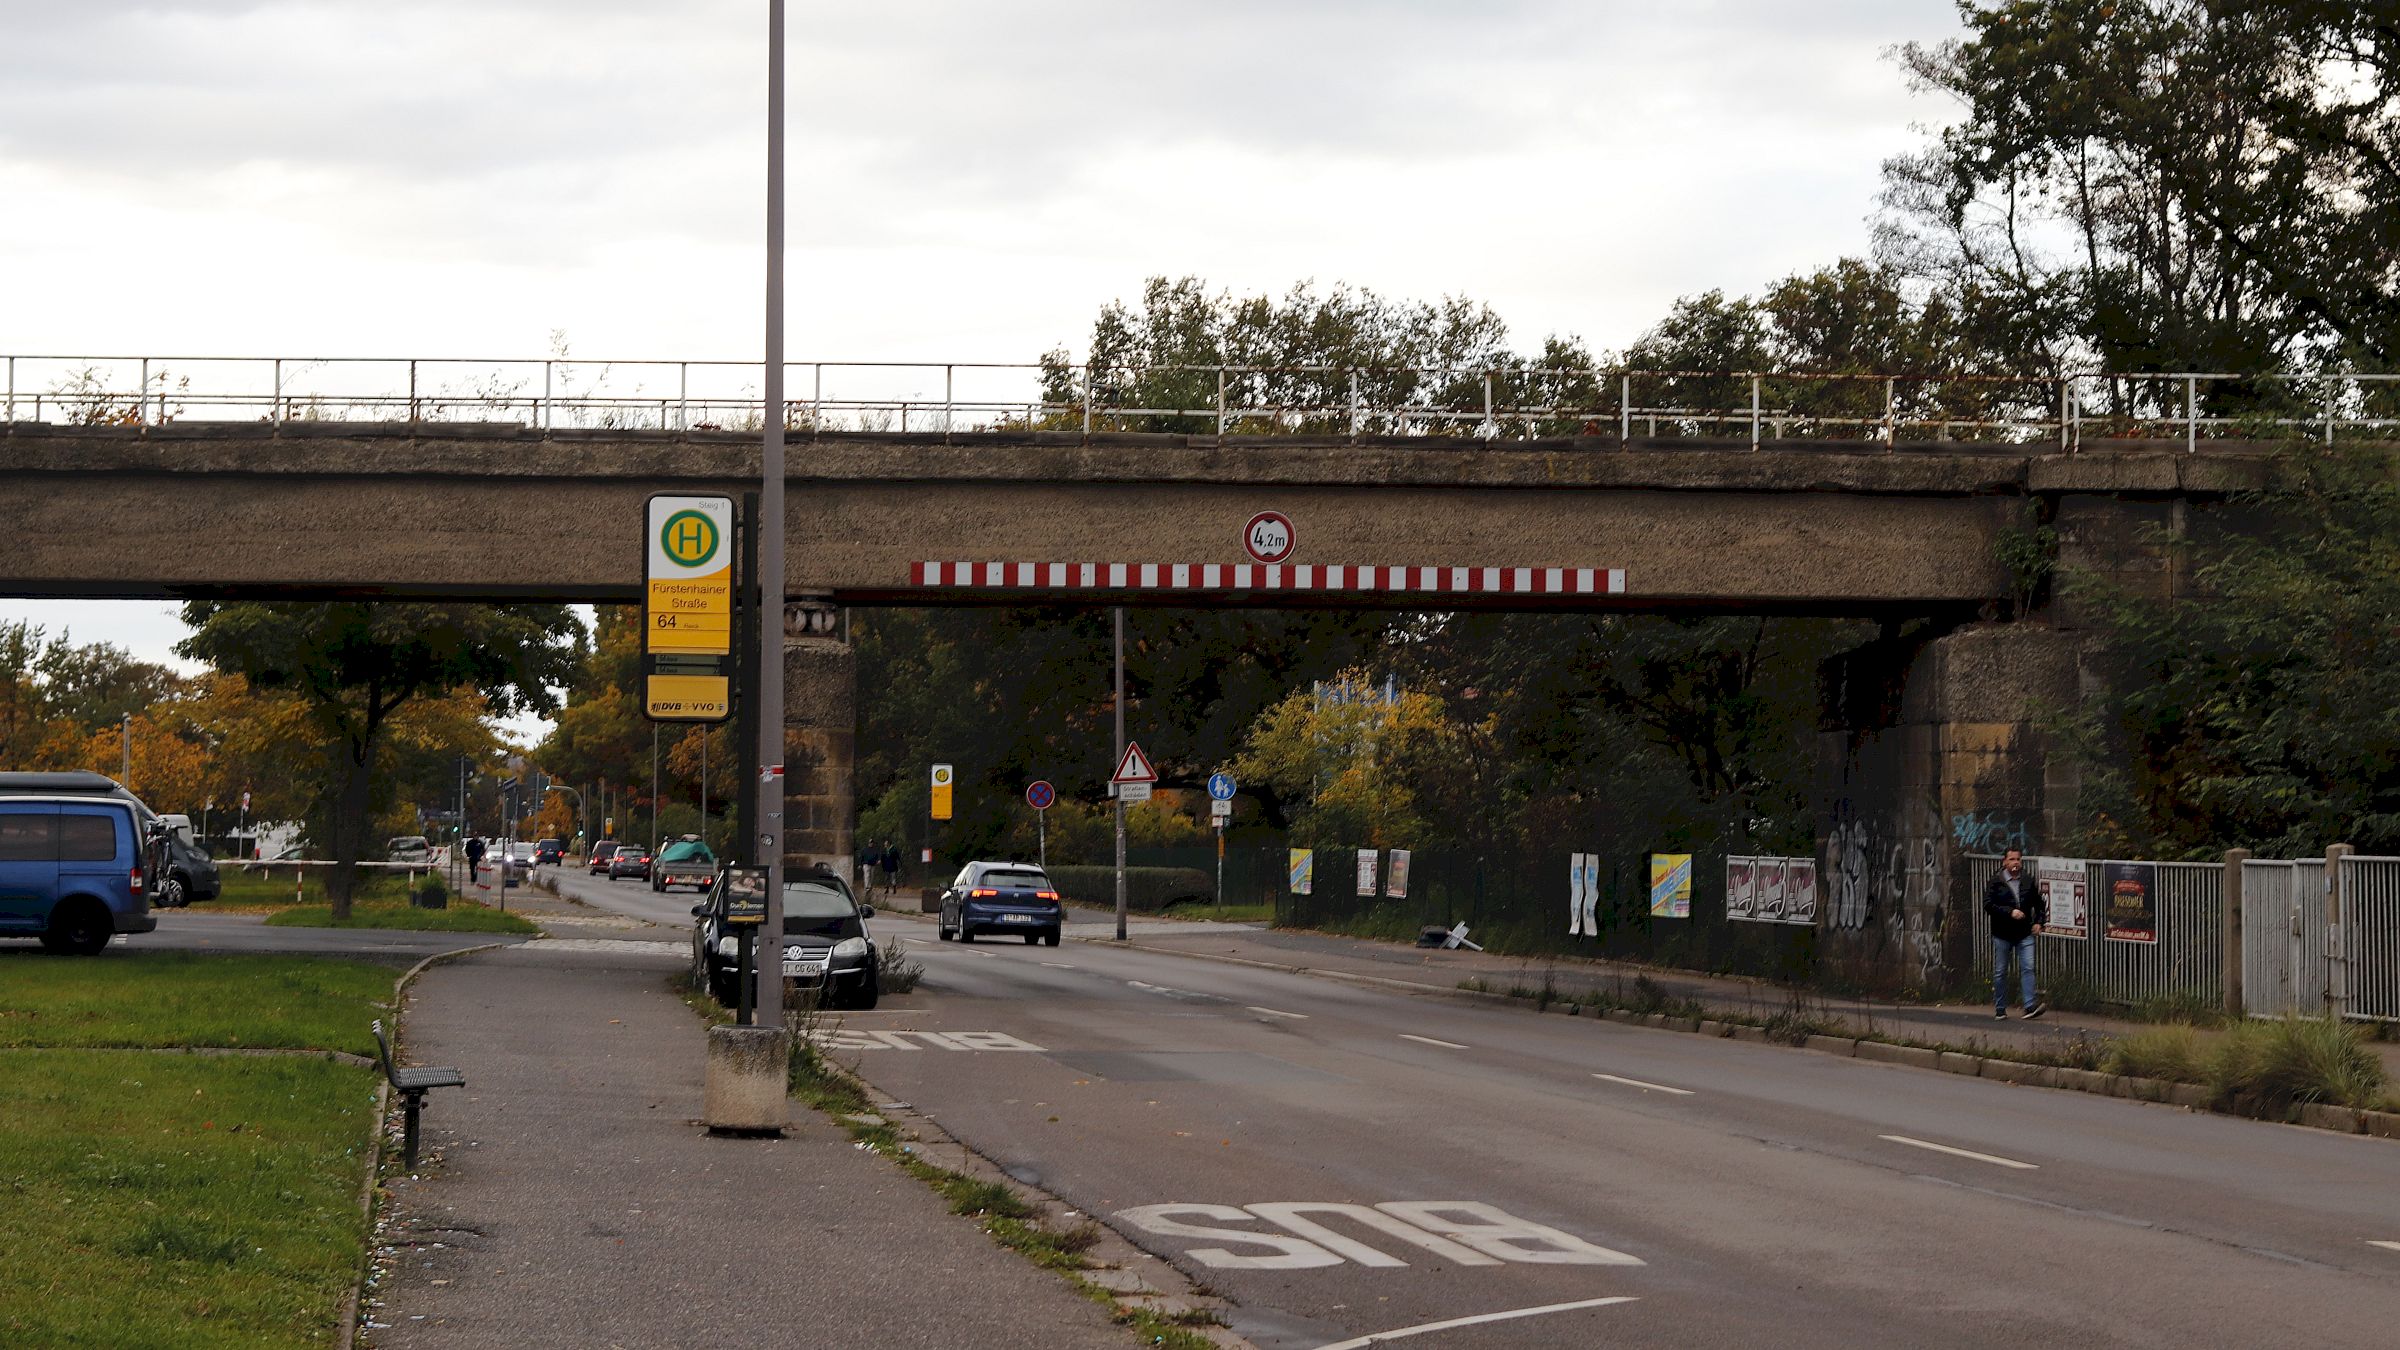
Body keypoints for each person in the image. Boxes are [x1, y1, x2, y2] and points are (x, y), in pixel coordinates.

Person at [1984, 848, 2046, 1019]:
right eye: (2011, 859)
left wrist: (2039, 922)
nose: (2015, 863)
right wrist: (2010, 912)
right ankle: (2000, 1008)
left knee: (2028, 967)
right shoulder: (1996, 882)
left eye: (2018, 859)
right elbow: (1988, 905)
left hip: (2024, 933)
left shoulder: (2027, 881)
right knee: (2001, 971)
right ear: (2004, 862)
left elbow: (2040, 904)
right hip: (2002, 933)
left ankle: (2029, 1006)